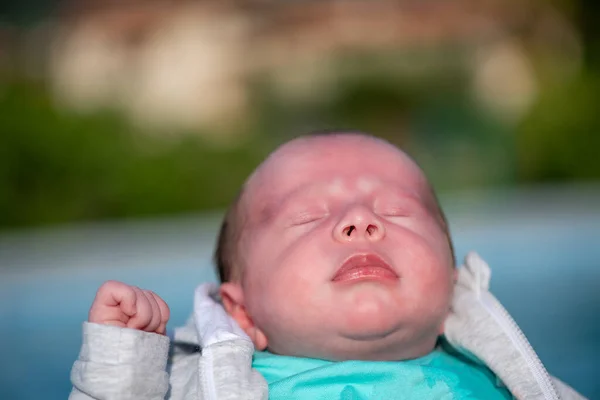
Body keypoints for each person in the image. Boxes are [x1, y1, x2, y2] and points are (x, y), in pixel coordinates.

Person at [69, 132, 585, 400]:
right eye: (307, 217)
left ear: (451, 283)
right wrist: (126, 368)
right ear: (242, 313)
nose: (360, 220)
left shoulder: (514, 384)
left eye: (396, 210)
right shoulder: (198, 385)